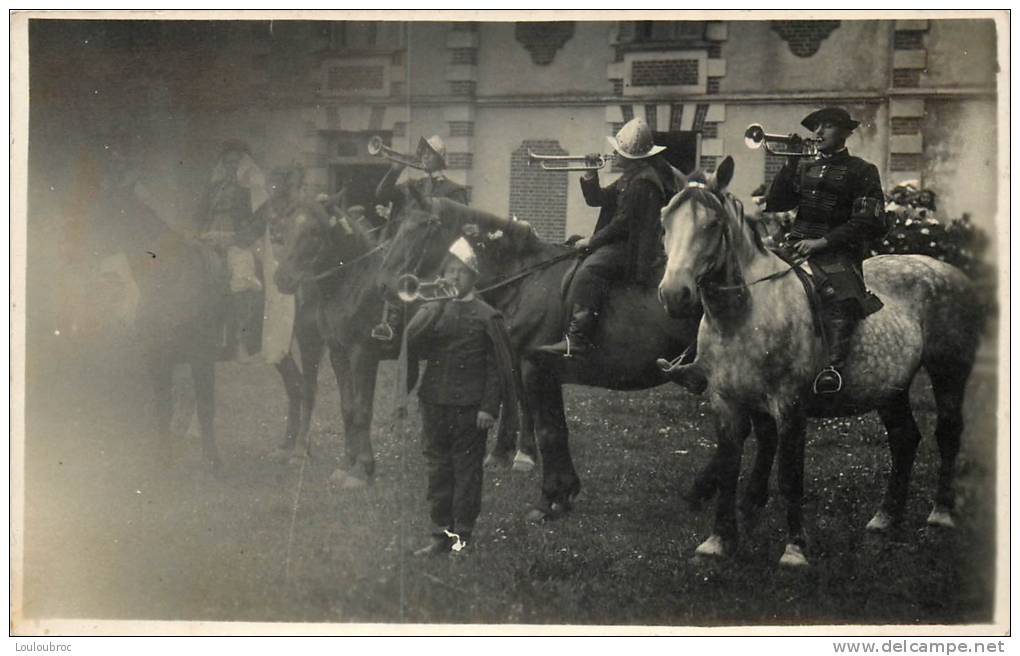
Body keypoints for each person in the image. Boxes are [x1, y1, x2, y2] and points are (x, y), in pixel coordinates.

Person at [404, 238, 517, 556]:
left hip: (469, 407)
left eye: (461, 271)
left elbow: (498, 369)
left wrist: (488, 408)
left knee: (466, 472)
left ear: (473, 276)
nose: (453, 277)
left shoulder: (487, 316)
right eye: (449, 270)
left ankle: (461, 537)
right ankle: (440, 533)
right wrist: (432, 307)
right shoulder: (435, 309)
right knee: (437, 468)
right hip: (434, 400)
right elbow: (412, 341)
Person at [765, 106, 886, 394]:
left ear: (845, 132)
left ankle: (833, 367)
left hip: (837, 253)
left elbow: (868, 220)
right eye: (815, 128)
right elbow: (777, 203)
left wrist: (822, 243)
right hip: (795, 247)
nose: (818, 133)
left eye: (827, 126)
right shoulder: (805, 167)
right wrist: (790, 162)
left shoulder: (863, 170)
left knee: (838, 295)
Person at [536, 117, 674, 359]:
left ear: (632, 157)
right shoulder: (631, 177)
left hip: (633, 251)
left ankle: (578, 338)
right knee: (573, 245)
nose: (613, 153)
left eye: (619, 150)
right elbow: (597, 199)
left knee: (590, 270)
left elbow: (622, 225)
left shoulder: (643, 182)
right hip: (624, 243)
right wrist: (591, 173)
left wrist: (591, 241)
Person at [372, 134, 469, 341]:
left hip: (435, 248)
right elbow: (382, 194)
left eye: (429, 153)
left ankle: (394, 322)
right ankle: (383, 323)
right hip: (407, 244)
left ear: (439, 159)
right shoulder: (411, 185)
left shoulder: (453, 190)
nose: (424, 156)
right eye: (422, 152)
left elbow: (458, 224)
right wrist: (394, 170)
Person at [194, 140, 270, 361]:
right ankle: (211, 342)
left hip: (239, 242)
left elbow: (260, 220)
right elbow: (199, 214)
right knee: (204, 286)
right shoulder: (214, 188)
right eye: (227, 163)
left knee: (241, 285)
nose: (230, 167)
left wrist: (238, 239)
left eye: (235, 163)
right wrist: (198, 234)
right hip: (210, 240)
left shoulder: (252, 191)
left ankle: (242, 345)